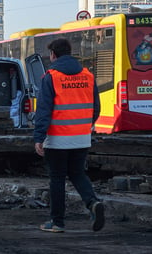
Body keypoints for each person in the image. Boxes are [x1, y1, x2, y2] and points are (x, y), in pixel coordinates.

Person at [34, 37, 105, 233]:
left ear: (53, 55)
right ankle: (92, 203)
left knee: (57, 179)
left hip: (57, 139)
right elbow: (96, 108)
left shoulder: (51, 77)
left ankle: (57, 222)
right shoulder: (87, 75)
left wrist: (39, 137)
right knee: (77, 173)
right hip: (81, 137)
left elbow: (44, 110)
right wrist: (85, 125)